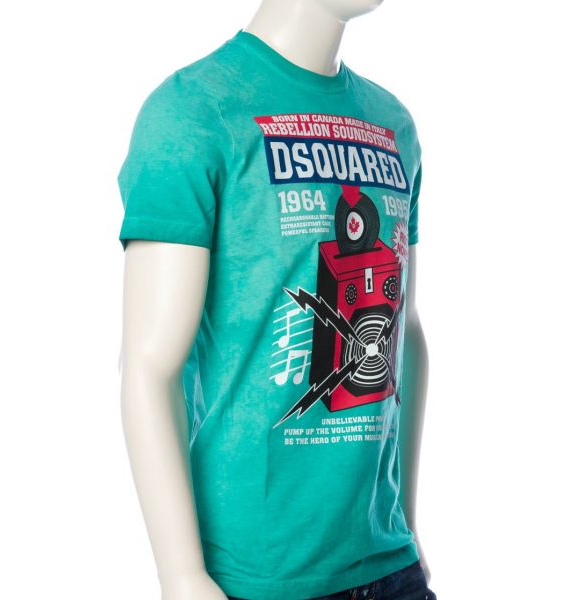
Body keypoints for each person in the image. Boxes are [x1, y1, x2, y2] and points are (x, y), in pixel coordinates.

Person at [117, 1, 435, 598]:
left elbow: (404, 331)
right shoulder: (193, 111)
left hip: (390, 564)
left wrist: (408, 526)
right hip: (255, 576)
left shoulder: (395, 125)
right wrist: (181, 575)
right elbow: (148, 366)